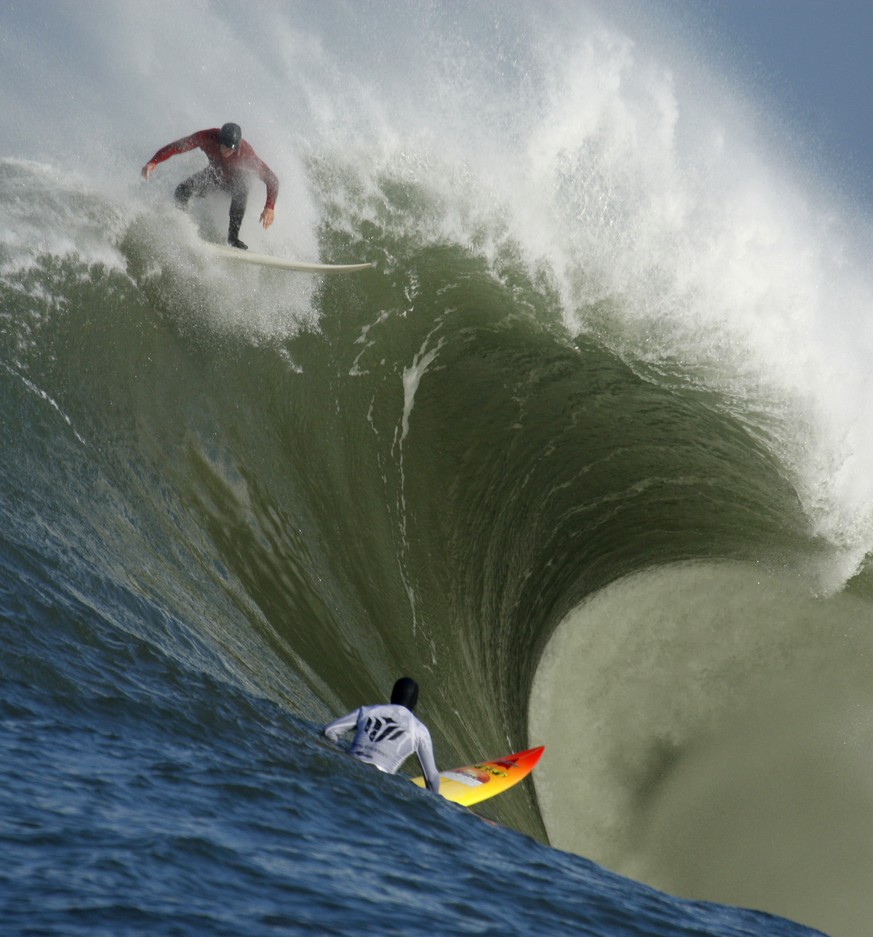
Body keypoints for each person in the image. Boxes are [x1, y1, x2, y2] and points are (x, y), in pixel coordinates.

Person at [141, 122, 278, 250]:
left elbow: (272, 179)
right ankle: (179, 225)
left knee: (241, 188)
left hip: (236, 182)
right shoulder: (206, 137)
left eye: (231, 150)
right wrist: (154, 161)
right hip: (215, 176)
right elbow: (177, 147)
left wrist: (269, 207)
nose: (226, 153)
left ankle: (233, 238)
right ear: (219, 140)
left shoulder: (246, 154)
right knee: (182, 190)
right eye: (224, 147)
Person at [323, 677, 441, 794]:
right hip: (378, 784)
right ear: (415, 704)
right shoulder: (419, 730)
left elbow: (329, 730)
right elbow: (431, 779)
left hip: (347, 764)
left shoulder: (367, 711)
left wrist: (334, 748)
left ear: (392, 695)